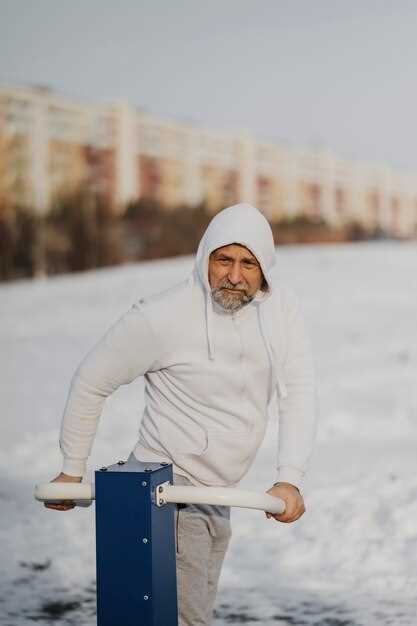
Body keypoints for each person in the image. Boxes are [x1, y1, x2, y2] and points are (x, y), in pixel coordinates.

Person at [45, 202, 317, 626]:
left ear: (265, 268)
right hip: (165, 493)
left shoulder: (279, 311)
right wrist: (70, 469)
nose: (234, 274)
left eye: (248, 263)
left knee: (190, 617)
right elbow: (92, 380)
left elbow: (298, 390)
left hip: (217, 495)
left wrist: (290, 477)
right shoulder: (163, 315)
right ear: (204, 255)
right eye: (223, 259)